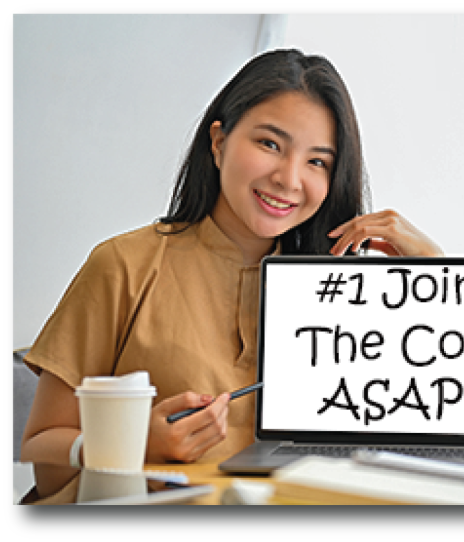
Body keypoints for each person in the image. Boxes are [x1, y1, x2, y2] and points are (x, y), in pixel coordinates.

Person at [20, 49, 442, 467]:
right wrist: (130, 446)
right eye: (270, 143)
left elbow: (427, 425)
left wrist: (434, 270)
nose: (289, 179)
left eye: (317, 161)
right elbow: (40, 447)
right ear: (219, 143)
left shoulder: (347, 299)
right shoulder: (124, 265)